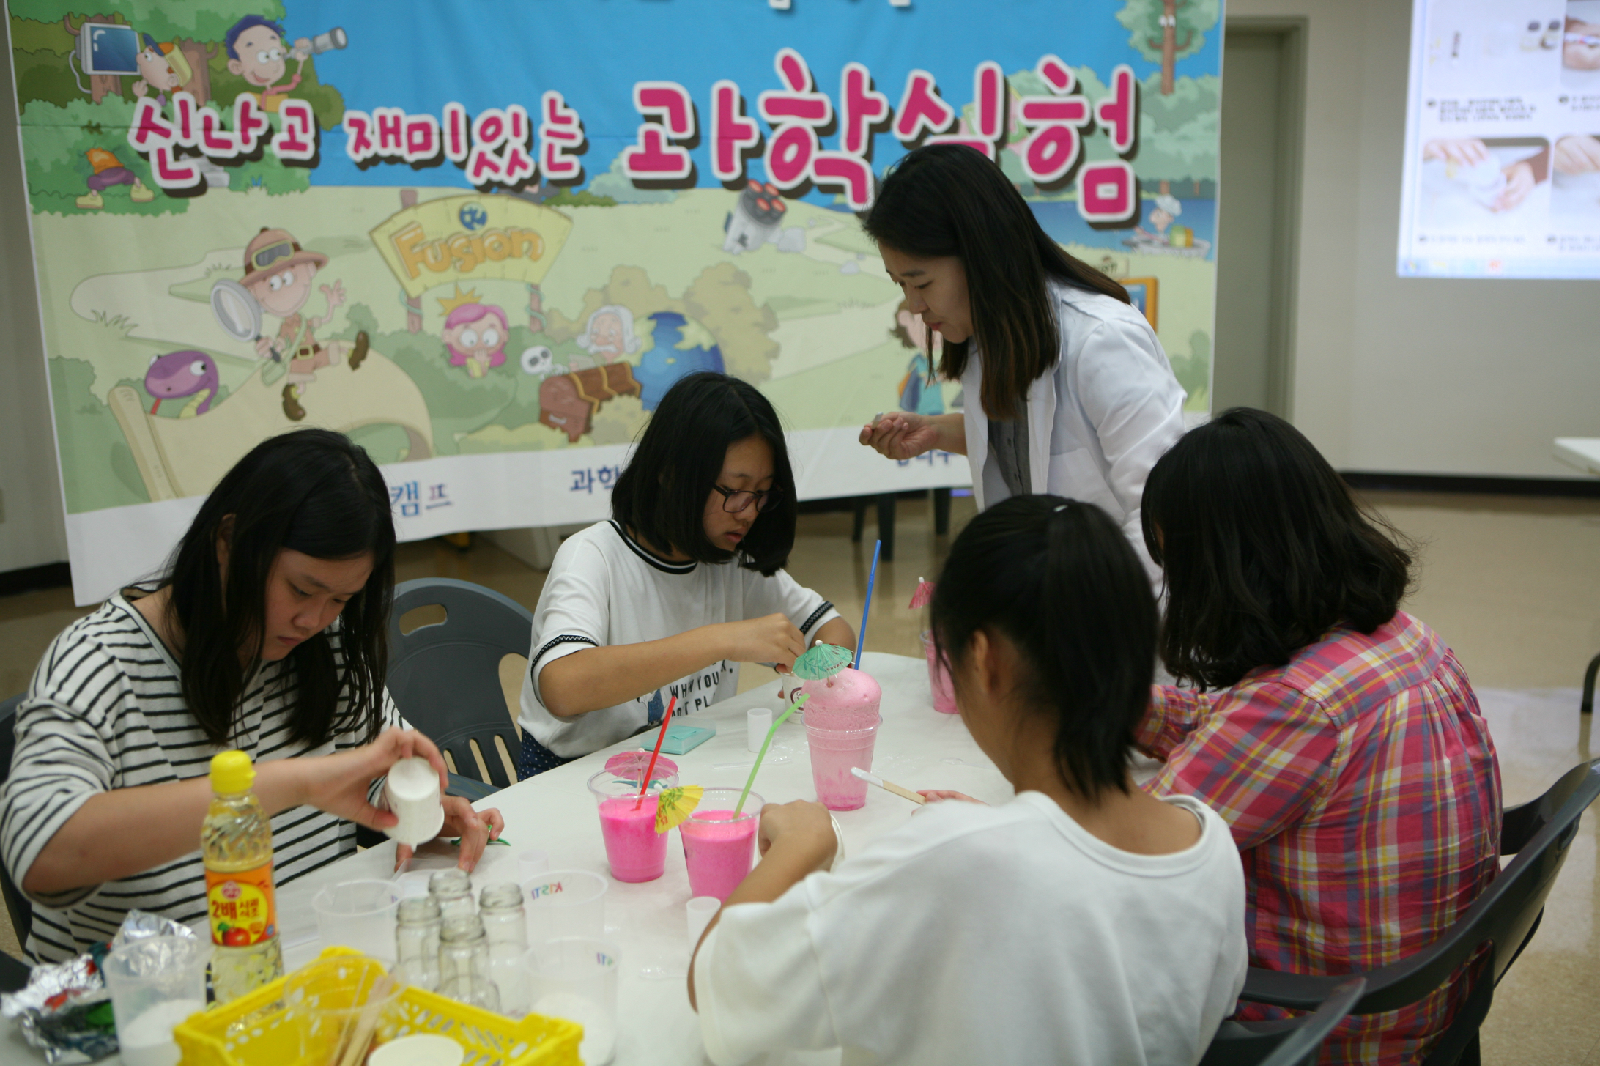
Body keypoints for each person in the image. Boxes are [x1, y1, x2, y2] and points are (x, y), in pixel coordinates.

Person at [687, 496, 1247, 1065]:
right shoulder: (1210, 850)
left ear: (984, 659)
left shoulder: (958, 861)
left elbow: (717, 991)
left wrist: (803, 844)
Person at [0, 430, 502, 963]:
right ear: (228, 541)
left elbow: (373, 772)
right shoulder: (99, 662)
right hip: (148, 996)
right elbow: (41, 852)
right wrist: (293, 784)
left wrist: (413, 811)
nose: (313, 619)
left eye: (340, 598)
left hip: (300, 968)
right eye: (301, 590)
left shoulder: (326, 645)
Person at [1136, 408, 1501, 1066]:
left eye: (1178, 566)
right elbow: (1239, 733)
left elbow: (1125, 855)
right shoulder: (1401, 639)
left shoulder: (1297, 704)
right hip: (1428, 1004)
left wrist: (993, 826)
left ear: (1226, 567)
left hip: (1319, 1027)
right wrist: (1123, 705)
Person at [856, 144, 1186, 581]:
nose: (914, 305)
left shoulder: (1102, 340)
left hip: (1122, 605)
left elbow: (1164, 516)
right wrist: (938, 431)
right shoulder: (987, 339)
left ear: (980, 256)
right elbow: (1027, 439)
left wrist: (1095, 608)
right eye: (900, 284)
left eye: (922, 283)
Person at [517, 372, 855, 777]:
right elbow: (562, 686)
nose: (749, 512)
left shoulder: (728, 560)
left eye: (762, 493)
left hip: (680, 769)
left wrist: (812, 677)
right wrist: (722, 640)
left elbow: (832, 629)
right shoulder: (593, 556)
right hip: (577, 777)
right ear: (670, 474)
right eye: (734, 491)